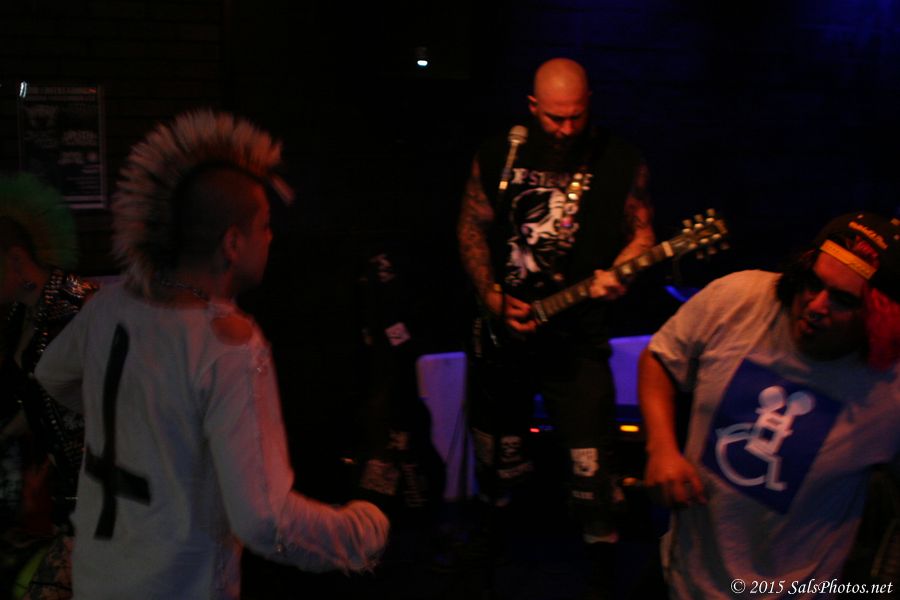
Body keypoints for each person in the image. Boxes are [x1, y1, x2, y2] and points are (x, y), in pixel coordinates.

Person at [34, 110, 389, 599]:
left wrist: (140, 427)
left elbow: (52, 374)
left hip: (99, 580)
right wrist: (362, 532)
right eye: (264, 226)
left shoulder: (109, 306)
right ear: (232, 243)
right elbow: (266, 521)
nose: (271, 237)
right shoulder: (229, 345)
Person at [457, 57, 654, 597]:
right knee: (496, 447)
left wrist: (621, 271)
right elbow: (471, 227)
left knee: (593, 458)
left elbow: (642, 233)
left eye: (575, 116)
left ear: (589, 104)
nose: (566, 129)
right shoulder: (501, 154)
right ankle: (492, 539)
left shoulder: (619, 160)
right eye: (554, 118)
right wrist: (491, 295)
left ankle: (601, 559)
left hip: (578, 337)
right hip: (504, 333)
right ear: (532, 107)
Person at [638, 211, 900, 599]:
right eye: (813, 283)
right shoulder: (738, 299)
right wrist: (661, 447)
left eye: (843, 300)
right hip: (682, 577)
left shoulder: (889, 389)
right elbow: (661, 357)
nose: (817, 305)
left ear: (880, 316)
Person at [0, 172, 97, 599]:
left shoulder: (81, 307)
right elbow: (39, 397)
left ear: (15, 259)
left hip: (97, 495)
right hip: (64, 496)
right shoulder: (16, 316)